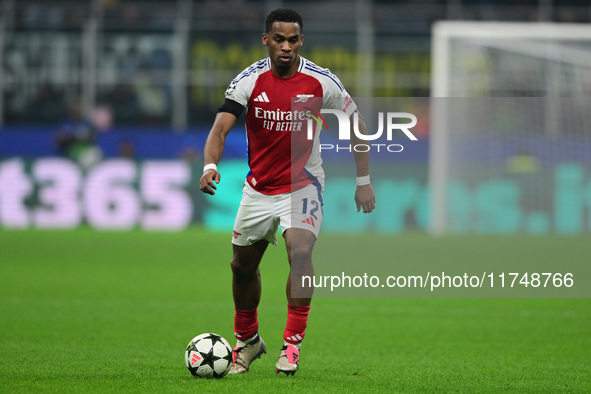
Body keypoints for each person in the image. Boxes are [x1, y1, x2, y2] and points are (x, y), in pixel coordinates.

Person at [199, 8, 375, 376]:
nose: (286, 47)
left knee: (300, 251)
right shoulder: (249, 81)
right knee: (241, 267)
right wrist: (210, 166)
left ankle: (291, 346)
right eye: (279, 39)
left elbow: (357, 124)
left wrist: (363, 181)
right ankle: (247, 342)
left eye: (293, 40)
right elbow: (219, 129)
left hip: (303, 185)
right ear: (266, 40)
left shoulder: (320, 81)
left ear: (301, 42)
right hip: (259, 189)